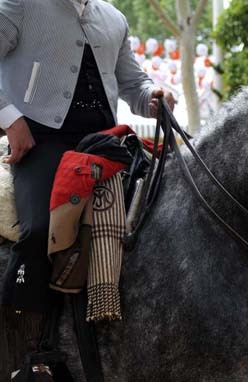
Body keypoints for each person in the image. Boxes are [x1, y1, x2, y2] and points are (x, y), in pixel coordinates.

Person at [0, 0, 174, 372]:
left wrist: (155, 98)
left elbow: (134, 85)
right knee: (39, 231)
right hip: (40, 140)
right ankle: (27, 347)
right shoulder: (20, 4)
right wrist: (10, 119)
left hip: (105, 145)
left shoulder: (114, 18)